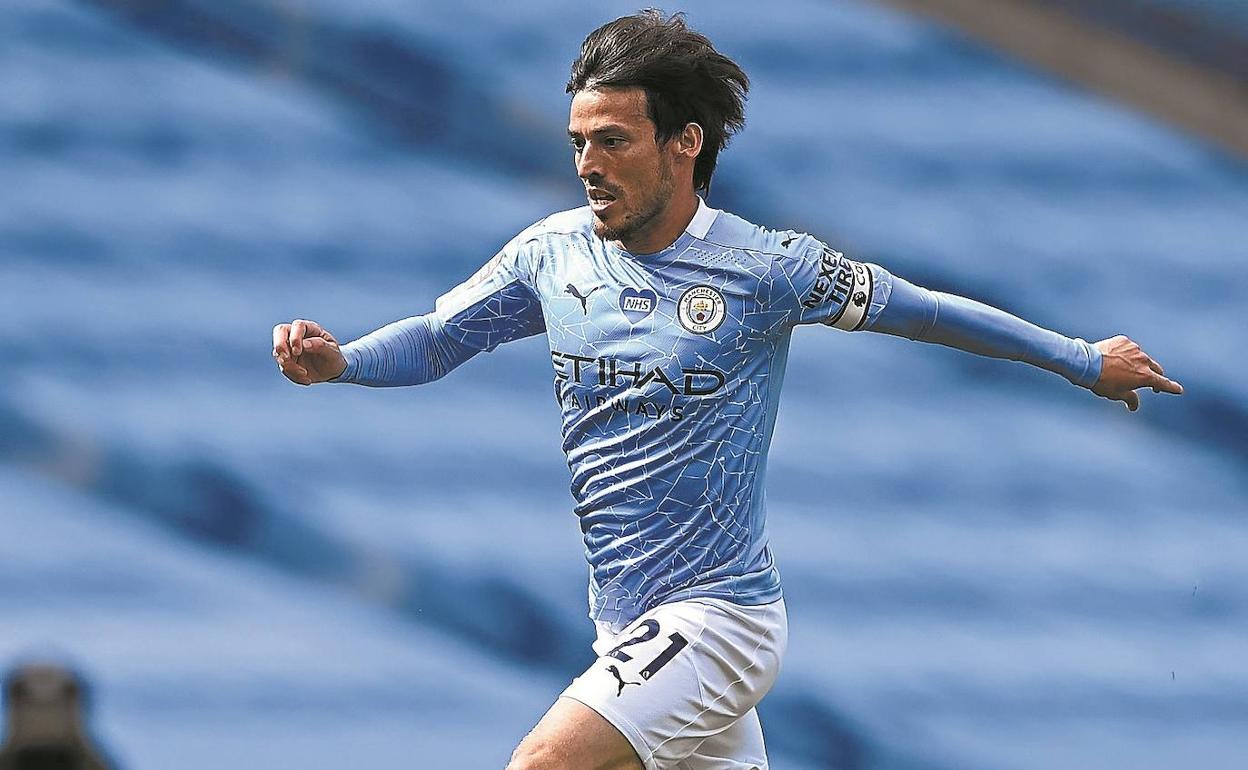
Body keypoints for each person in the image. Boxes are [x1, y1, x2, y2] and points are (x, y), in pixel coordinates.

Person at [272, 11, 1183, 770]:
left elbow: (923, 310)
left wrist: (1078, 358)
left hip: (719, 618)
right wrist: (341, 359)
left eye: (614, 141)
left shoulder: (765, 267)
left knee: (542, 766)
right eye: (579, 142)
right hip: (625, 626)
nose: (589, 163)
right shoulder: (551, 254)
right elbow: (439, 339)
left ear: (685, 143)